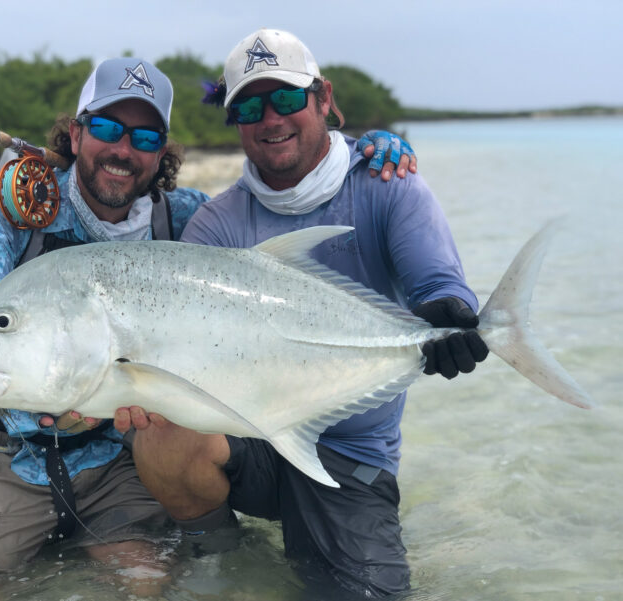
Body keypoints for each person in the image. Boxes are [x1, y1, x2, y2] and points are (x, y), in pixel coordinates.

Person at [0, 54, 415, 593]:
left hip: (118, 462)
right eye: (108, 128)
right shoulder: (11, 207)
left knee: (153, 583)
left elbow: (276, 210)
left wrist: (361, 153)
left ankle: (224, 559)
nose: (122, 149)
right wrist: (57, 403)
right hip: (6, 454)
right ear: (75, 132)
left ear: (161, 151)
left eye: (144, 137)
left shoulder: (184, 218)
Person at [113, 29, 489, 599]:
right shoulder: (217, 225)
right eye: (249, 106)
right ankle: (221, 561)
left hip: (351, 457)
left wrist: (449, 316)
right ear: (235, 121)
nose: (270, 118)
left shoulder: (388, 185)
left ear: (323, 98)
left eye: (286, 99)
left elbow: (438, 287)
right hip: (249, 438)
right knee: (162, 436)